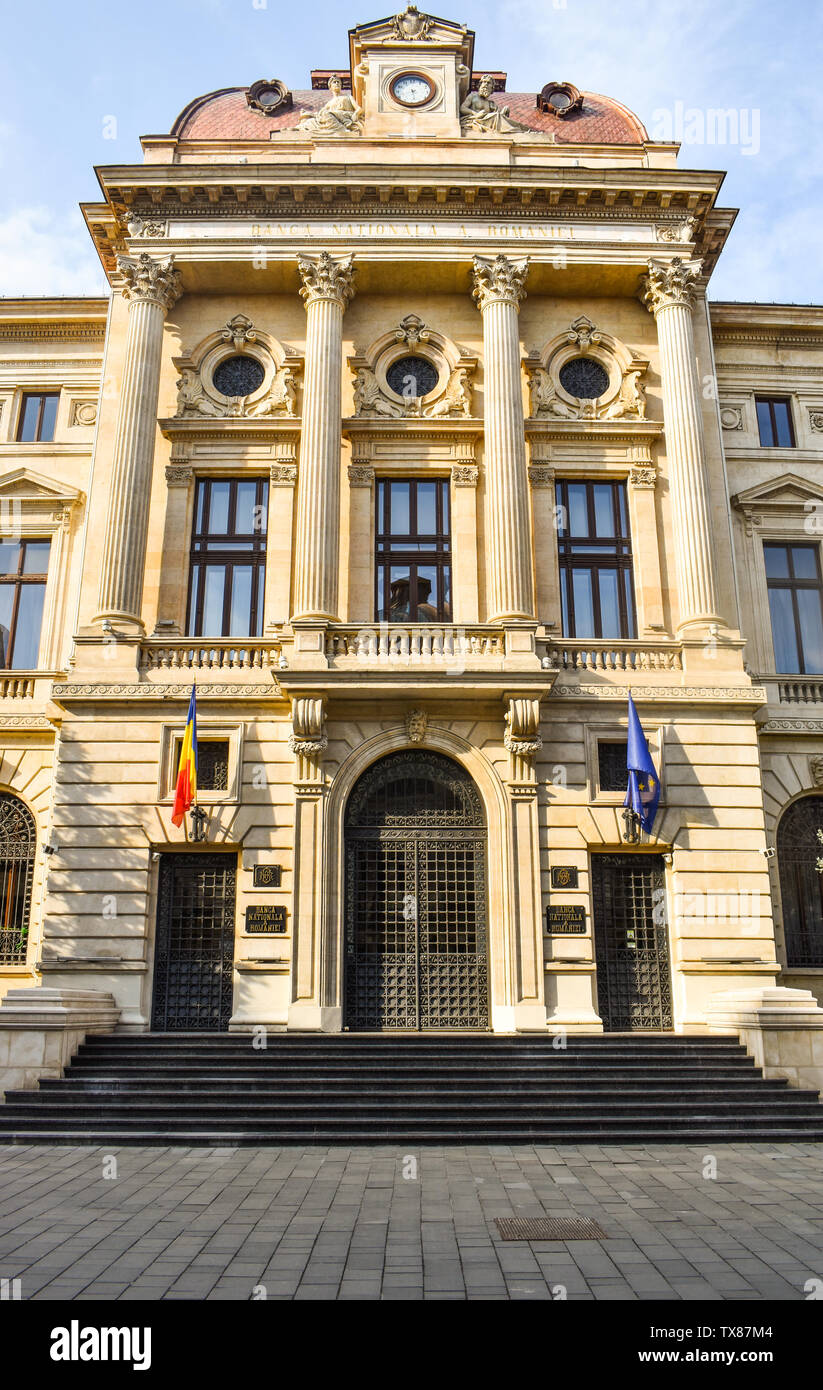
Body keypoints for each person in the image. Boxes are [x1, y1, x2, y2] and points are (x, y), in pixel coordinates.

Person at [460, 75, 528, 135]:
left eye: (488, 83)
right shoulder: (473, 96)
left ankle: (522, 129)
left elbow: (500, 117)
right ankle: (515, 130)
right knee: (496, 116)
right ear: (480, 85)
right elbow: (462, 108)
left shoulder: (491, 103)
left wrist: (504, 112)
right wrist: (475, 114)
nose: (485, 84)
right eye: (484, 82)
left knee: (498, 116)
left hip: (487, 122)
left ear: (492, 88)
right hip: (474, 120)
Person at [299, 76, 363, 136]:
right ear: (330, 87)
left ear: (341, 86)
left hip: (346, 116)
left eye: (338, 82)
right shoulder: (329, 103)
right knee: (311, 121)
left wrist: (356, 113)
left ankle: (342, 129)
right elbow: (319, 114)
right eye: (334, 82)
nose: (337, 83)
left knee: (327, 113)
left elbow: (359, 109)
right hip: (333, 117)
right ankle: (299, 128)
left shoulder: (348, 97)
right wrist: (307, 113)